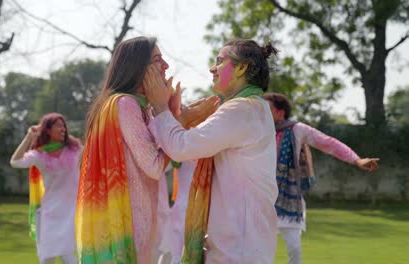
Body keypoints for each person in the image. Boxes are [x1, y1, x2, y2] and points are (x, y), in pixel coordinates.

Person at [75, 36, 218, 264]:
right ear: (137, 67)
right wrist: (181, 121)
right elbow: (154, 166)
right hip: (127, 225)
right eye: (158, 60)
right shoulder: (125, 104)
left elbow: (162, 159)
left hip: (134, 222)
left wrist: (170, 115)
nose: (166, 66)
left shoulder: (136, 107)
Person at [145, 38, 279, 263]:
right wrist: (184, 118)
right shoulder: (253, 107)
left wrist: (160, 106)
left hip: (238, 248)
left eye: (219, 61)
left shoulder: (241, 109)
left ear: (241, 67)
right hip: (243, 242)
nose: (212, 68)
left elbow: (182, 147)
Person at [263, 92, 380, 264]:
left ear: (280, 112)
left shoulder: (297, 130)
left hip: (289, 200)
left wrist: (356, 159)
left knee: (294, 248)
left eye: (266, 108)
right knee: (261, 249)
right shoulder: (255, 130)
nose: (260, 112)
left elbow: (328, 143)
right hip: (260, 198)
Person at [10, 113, 82, 264]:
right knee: (47, 258)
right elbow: (15, 162)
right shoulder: (39, 155)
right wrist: (29, 137)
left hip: (71, 212)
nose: (63, 129)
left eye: (64, 126)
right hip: (50, 213)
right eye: (58, 126)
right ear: (48, 130)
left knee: (68, 257)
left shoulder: (75, 150)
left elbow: (95, 156)